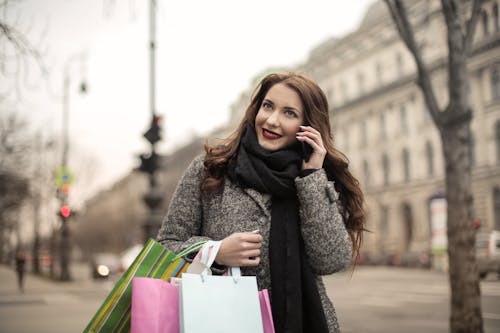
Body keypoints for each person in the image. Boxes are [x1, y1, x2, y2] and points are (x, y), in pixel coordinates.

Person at [157, 72, 366, 333]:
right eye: (268, 106)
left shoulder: (314, 180)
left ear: (307, 126)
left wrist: (311, 176)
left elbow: (332, 260)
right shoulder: (210, 169)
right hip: (220, 321)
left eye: (289, 113)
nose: (271, 120)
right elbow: (166, 246)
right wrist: (216, 252)